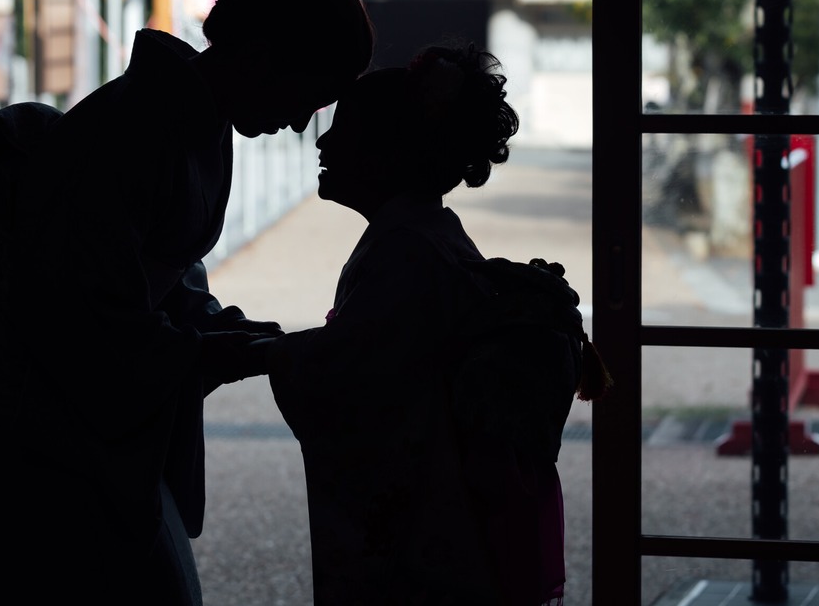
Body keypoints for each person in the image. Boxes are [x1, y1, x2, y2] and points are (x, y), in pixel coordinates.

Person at [0, 0, 374, 604]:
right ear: (261, 58)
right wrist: (211, 352)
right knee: (45, 576)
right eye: (305, 99)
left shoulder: (188, 114)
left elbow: (162, 274)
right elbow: (86, 312)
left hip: (52, 363)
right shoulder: (138, 126)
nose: (301, 123)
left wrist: (217, 328)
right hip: (10, 373)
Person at [245, 45, 611, 605]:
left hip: (425, 531)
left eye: (345, 130)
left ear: (390, 152)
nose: (323, 143)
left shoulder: (407, 253)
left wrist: (254, 354)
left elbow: (348, 376)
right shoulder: (427, 237)